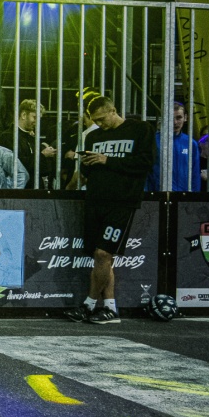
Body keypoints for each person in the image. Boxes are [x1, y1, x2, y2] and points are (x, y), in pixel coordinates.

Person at [68, 92, 156, 325]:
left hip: (122, 201)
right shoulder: (93, 136)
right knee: (102, 259)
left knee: (103, 254)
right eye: (95, 120)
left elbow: (145, 163)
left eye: (102, 118)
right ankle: (110, 308)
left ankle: (88, 304)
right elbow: (87, 172)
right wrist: (87, 163)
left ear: (113, 110)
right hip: (96, 200)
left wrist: (107, 159)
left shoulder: (140, 129)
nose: (99, 124)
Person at [147, 101, 201, 192]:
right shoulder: (153, 141)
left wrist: (195, 196)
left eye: (179, 117)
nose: (175, 122)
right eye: (170, 118)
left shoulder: (191, 143)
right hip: (158, 193)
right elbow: (147, 171)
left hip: (184, 195)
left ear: (185, 118)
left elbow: (195, 173)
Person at [16, 100, 57, 189]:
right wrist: (43, 155)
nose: (37, 122)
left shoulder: (31, 138)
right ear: (23, 115)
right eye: (34, 117)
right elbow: (18, 165)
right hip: (20, 190)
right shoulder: (8, 137)